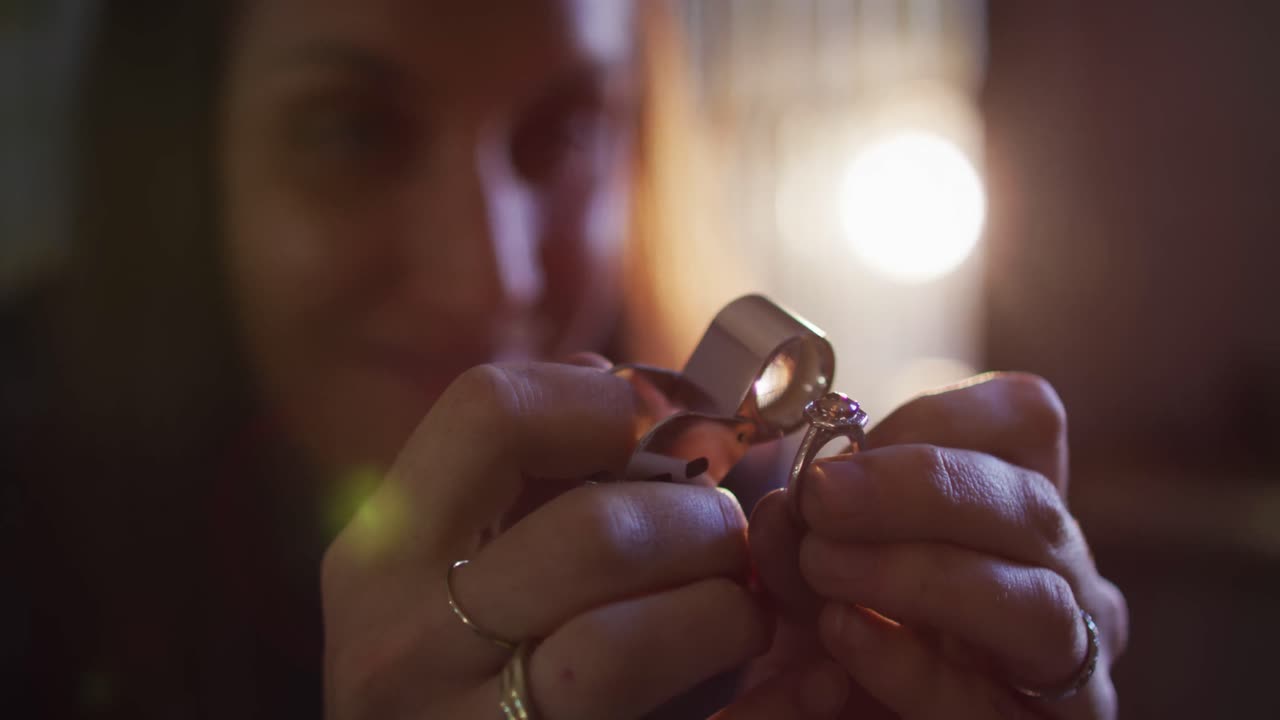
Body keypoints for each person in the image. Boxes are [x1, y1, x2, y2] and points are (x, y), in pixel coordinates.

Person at [2, 1, 1129, 718]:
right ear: (180, 156)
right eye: (350, 130)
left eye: (561, 134)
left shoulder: (753, 535)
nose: (488, 281)